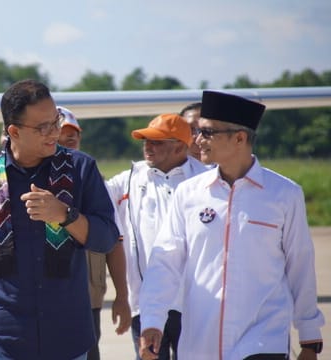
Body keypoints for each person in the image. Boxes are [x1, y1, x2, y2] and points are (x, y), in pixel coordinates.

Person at [139, 91, 325, 360]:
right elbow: (165, 261)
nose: (198, 140)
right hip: (200, 343)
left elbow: (300, 265)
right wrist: (153, 320)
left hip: (263, 341)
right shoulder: (189, 194)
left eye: (207, 132)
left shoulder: (284, 194)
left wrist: (309, 338)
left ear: (239, 137)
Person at [0, 79, 119, 360]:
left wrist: (65, 215)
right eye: (43, 127)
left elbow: (106, 238)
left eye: (56, 122)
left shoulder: (81, 169)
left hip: (67, 338)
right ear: (14, 131)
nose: (54, 132)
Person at [105, 113, 207, 360]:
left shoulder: (206, 180)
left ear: (181, 146)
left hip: (198, 305)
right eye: (145, 140)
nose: (148, 147)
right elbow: (94, 196)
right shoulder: (129, 178)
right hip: (147, 304)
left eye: (157, 141)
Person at [57, 105, 131, 360]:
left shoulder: (93, 178)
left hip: (88, 297)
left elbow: (114, 241)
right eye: (59, 133)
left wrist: (121, 295)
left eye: (72, 133)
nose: (67, 138)